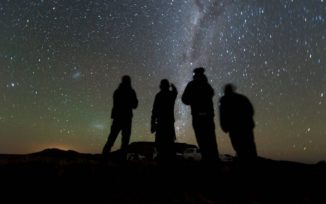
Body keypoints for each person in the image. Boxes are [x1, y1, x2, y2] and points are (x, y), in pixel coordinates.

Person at [182, 67, 220, 163]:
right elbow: (211, 94)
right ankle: (214, 163)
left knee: (202, 141)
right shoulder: (207, 85)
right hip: (208, 117)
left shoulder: (192, 85)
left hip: (198, 117)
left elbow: (184, 99)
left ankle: (208, 162)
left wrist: (193, 101)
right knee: (211, 140)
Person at [219, 83, 257, 164]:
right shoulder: (242, 98)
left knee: (239, 148)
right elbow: (251, 111)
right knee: (250, 148)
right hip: (246, 127)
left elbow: (223, 115)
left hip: (235, 129)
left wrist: (225, 127)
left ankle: (244, 165)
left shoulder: (224, 100)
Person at [102, 75, 138, 159]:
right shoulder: (131, 92)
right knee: (125, 141)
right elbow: (135, 105)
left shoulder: (117, 91)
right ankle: (122, 161)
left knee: (111, 139)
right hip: (126, 118)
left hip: (117, 118)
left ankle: (104, 158)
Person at [151, 79, 177, 162]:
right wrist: (173, 87)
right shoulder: (170, 95)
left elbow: (154, 111)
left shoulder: (158, 95)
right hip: (169, 122)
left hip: (161, 123)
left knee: (160, 143)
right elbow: (175, 93)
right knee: (169, 142)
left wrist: (153, 124)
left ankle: (162, 159)